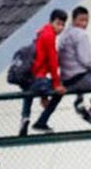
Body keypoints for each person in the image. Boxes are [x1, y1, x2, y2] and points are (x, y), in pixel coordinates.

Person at [20, 9, 68, 137]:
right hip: (39, 79)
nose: (60, 28)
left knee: (28, 92)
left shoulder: (41, 34)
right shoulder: (49, 36)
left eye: (63, 25)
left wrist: (44, 97)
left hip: (31, 79)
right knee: (61, 91)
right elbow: (52, 63)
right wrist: (57, 85)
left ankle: (25, 117)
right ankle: (42, 121)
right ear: (51, 22)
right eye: (58, 23)